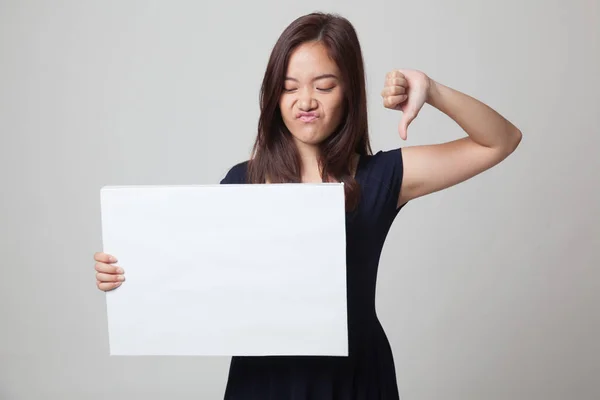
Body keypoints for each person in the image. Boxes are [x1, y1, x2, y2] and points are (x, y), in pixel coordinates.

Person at [93, 12, 522, 400]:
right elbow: (188, 276)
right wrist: (125, 274)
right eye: (289, 87)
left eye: (324, 85)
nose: (306, 101)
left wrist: (431, 90)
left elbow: (500, 140)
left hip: (355, 378)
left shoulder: (378, 178)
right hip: (262, 381)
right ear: (273, 97)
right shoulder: (242, 181)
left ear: (349, 90)